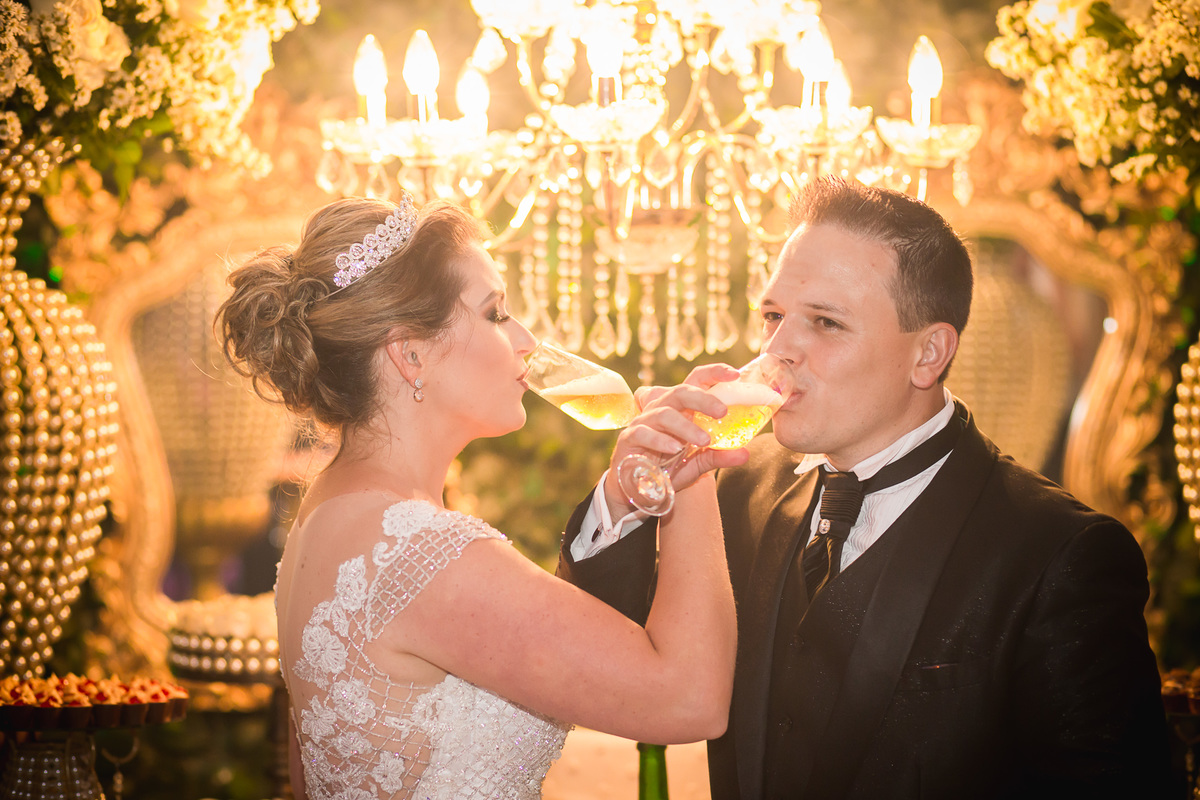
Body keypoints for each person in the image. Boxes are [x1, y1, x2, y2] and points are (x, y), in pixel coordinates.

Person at [558, 176, 1174, 799]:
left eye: (826, 322)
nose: (778, 349)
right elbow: (608, 662)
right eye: (773, 316)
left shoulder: (1061, 555)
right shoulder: (734, 485)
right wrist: (625, 500)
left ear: (928, 354)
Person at [216, 193, 738, 800]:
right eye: (496, 314)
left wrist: (624, 502)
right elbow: (689, 699)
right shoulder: (419, 553)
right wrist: (689, 462)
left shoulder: (329, 520)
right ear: (410, 353)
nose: (526, 339)